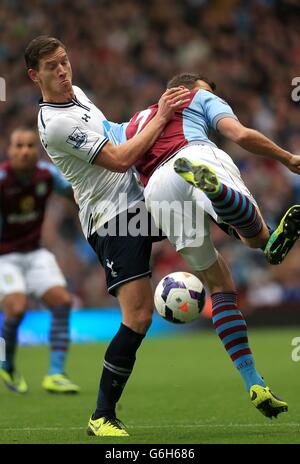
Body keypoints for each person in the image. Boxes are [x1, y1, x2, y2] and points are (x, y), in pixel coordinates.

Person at [24, 35, 189, 437]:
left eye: (64, 62)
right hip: (113, 219)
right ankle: (101, 415)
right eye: (52, 67)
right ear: (34, 76)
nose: (63, 71)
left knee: (192, 195)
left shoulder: (77, 94)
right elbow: (118, 159)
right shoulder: (56, 124)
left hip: (137, 198)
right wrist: (161, 117)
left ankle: (255, 234)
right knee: (138, 317)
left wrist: (149, 113)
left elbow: (114, 132)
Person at [110, 73, 300, 419]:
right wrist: (287, 158)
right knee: (257, 236)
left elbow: (109, 155)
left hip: (158, 191)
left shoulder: (133, 122)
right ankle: (223, 198)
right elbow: (240, 135)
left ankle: (253, 382)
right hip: (194, 156)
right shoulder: (198, 96)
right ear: (192, 87)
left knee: (219, 285)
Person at [0, 127, 80, 395]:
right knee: (17, 308)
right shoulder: (2, 180)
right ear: (10, 151)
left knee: (63, 302)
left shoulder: (46, 175)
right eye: (19, 146)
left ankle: (56, 374)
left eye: (30, 146)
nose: (25, 151)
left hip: (35, 252)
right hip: (4, 256)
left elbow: (73, 193)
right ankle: (6, 363)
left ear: (37, 150)